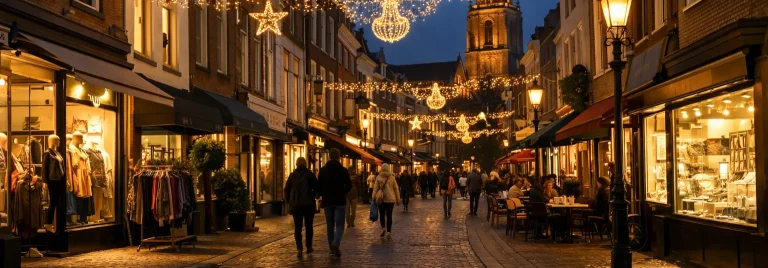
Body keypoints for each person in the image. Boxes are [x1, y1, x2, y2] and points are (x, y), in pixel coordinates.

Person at [317, 148, 352, 258]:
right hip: (340, 201)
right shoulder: (343, 170)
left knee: (330, 225)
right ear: (338, 157)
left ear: (329, 156)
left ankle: (331, 249)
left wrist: (324, 194)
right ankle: (336, 242)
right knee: (340, 224)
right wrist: (343, 192)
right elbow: (349, 185)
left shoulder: (323, 170)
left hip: (327, 201)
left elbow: (319, 186)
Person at [284, 157, 319, 258]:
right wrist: (312, 196)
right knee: (309, 226)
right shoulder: (310, 175)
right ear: (305, 164)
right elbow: (317, 188)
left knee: (297, 227)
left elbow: (286, 190)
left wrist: (289, 201)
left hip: (296, 205)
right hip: (308, 205)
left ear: (296, 164)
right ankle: (309, 247)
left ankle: (299, 248)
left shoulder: (292, 176)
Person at [373, 163, 400, 239]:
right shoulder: (392, 177)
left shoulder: (379, 177)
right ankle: (389, 231)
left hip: (381, 199)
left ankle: (383, 228)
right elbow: (396, 188)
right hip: (391, 199)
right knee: (389, 215)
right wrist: (398, 198)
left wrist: (373, 197)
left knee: (381, 214)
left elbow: (375, 188)